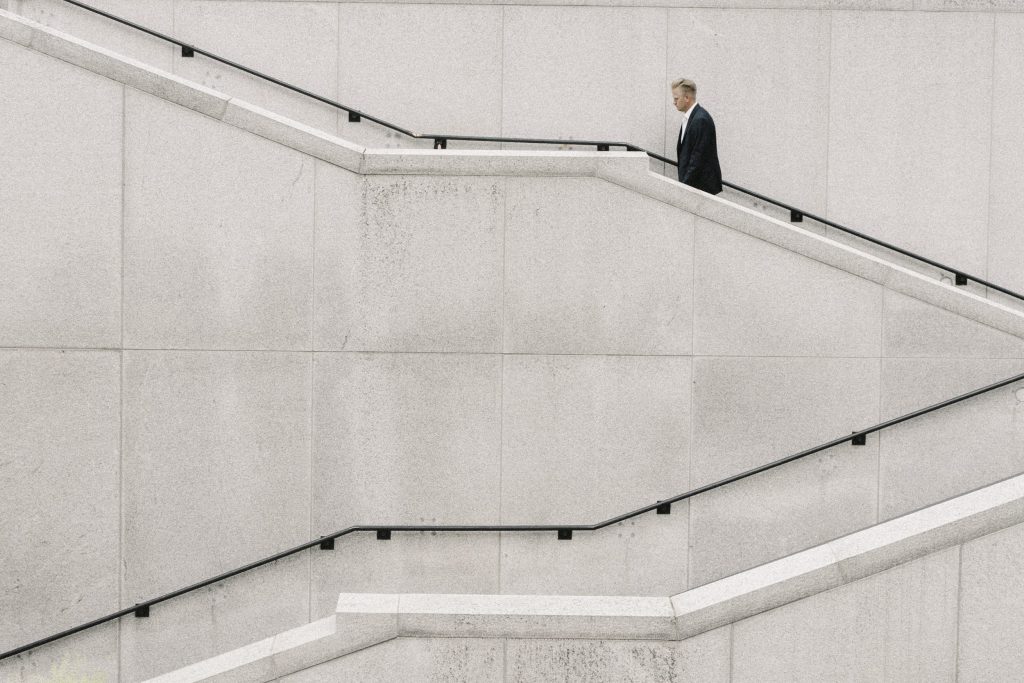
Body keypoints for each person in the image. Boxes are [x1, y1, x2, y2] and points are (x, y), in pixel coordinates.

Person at [671, 78, 722, 195]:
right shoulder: (691, 118)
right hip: (695, 187)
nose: (674, 102)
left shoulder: (700, 120)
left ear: (687, 98)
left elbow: (697, 158)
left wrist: (684, 186)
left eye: (676, 99)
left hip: (701, 188)